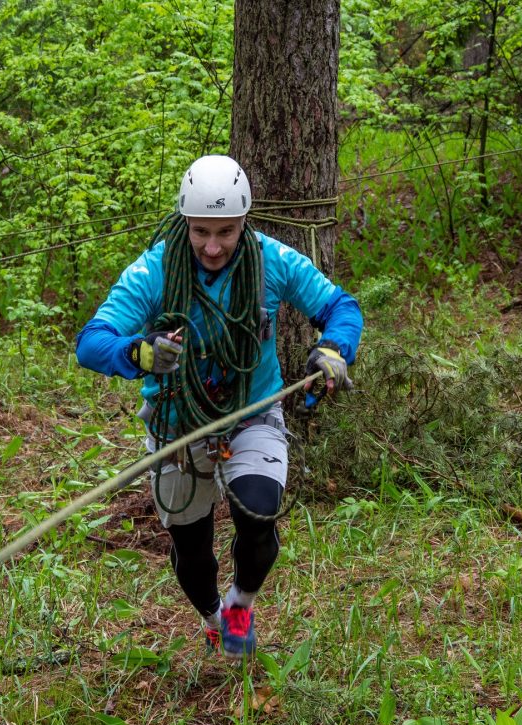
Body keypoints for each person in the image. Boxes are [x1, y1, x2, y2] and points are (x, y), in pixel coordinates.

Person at [76, 154, 362, 658]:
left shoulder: (272, 260)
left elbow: (340, 306)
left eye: (226, 232)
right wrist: (138, 351)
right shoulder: (154, 271)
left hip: (252, 411)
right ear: (185, 222)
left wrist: (335, 346)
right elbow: (91, 341)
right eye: (201, 231)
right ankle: (212, 615)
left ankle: (239, 608)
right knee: (192, 548)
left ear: (245, 222)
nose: (212, 246)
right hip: (176, 423)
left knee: (258, 511)